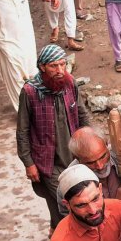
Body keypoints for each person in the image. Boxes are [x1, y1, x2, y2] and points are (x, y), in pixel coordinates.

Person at [17, 44, 91, 230]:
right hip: (48, 162)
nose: (60, 70)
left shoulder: (70, 83)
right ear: (42, 67)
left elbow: (82, 114)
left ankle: (55, 230)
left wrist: (91, 141)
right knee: (67, 204)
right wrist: (28, 163)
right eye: (53, 66)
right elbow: (22, 131)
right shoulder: (29, 92)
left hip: (74, 156)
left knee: (61, 201)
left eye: (62, 65)